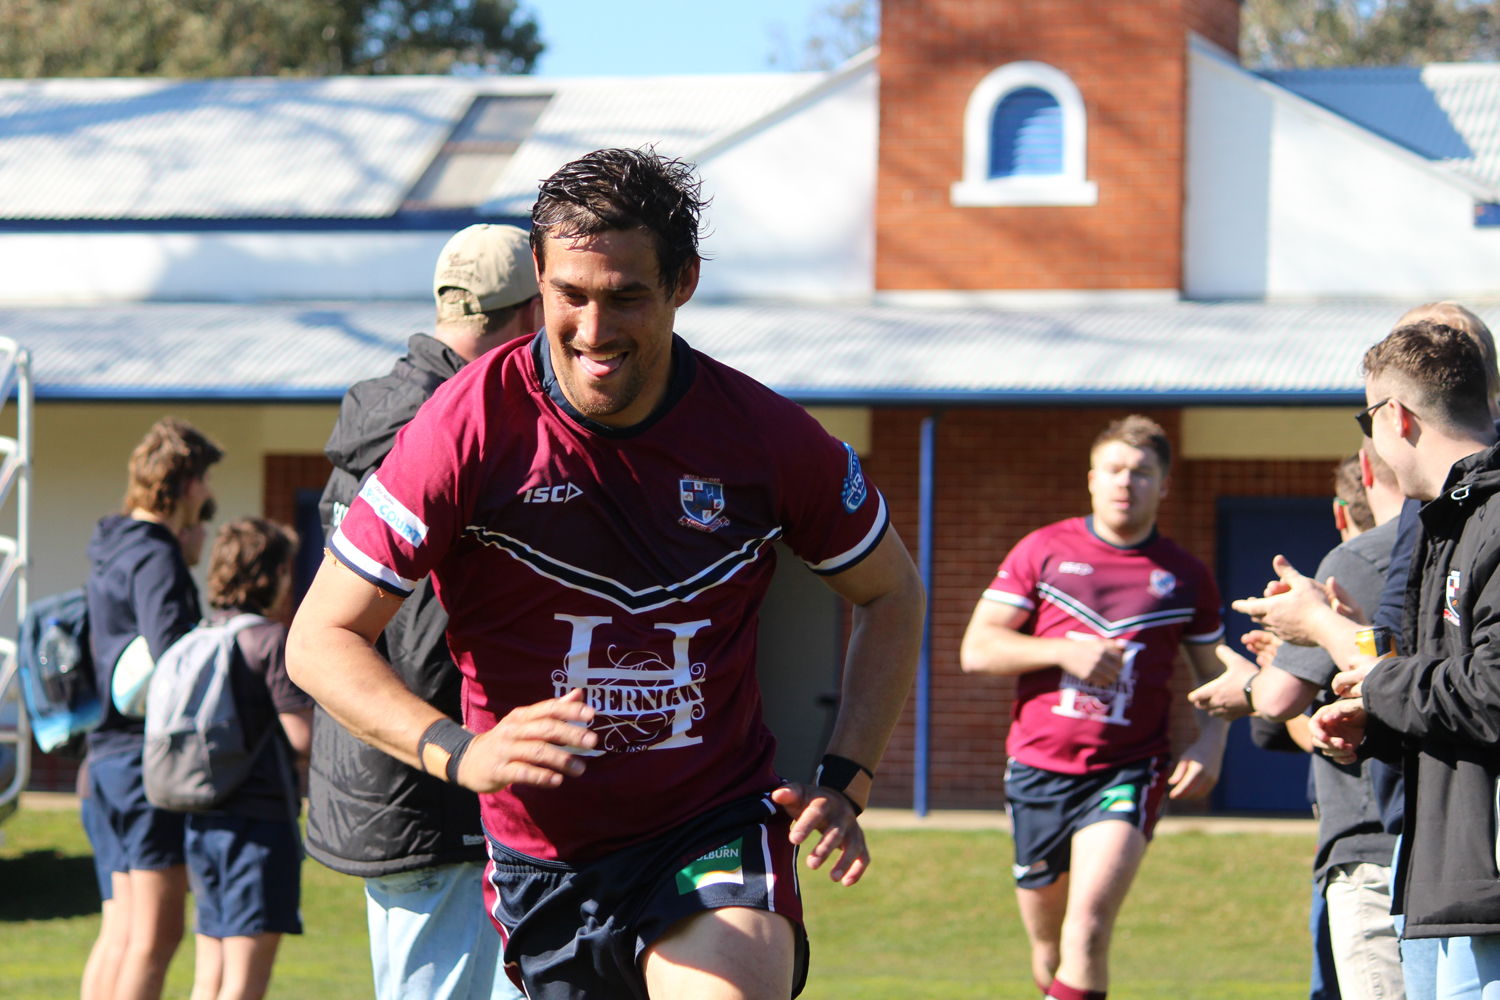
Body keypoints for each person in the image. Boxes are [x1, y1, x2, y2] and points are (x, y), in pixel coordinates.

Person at [287, 148, 925, 1000]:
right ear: (538, 277)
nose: (594, 331)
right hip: (544, 864)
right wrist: (461, 754)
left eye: (625, 296)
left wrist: (848, 779)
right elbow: (320, 638)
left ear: (682, 282)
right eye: (571, 296)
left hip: (710, 826)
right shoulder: (464, 428)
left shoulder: (763, 438)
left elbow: (893, 590)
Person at [308, 224, 541, 1000]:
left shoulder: (378, 413)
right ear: (531, 315)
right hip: (436, 779)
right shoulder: (455, 426)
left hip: (387, 770)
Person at [958, 415, 1229, 1000]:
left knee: (1088, 931)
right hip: (1036, 770)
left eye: (1141, 472)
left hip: (1128, 769)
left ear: (1165, 485)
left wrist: (1212, 742)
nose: (1126, 482)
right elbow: (977, 649)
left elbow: (1214, 677)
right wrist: (1063, 651)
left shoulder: (1185, 576)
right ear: (1091, 479)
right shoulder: (1043, 550)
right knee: (1049, 948)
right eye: (1114, 469)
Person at [1309, 321, 1500, 1000]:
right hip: (1442, 882)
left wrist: (1382, 680)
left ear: (1395, 416)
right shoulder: (1445, 520)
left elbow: (1494, 691)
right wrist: (1376, 721)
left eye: (1369, 420)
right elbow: (1449, 691)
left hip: (1487, 889)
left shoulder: (1492, 518)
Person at [1190, 448, 1405, 1000]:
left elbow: (1281, 703)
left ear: (1340, 510)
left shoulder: (1356, 559)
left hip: (1370, 841)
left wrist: (1256, 682)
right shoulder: (1457, 544)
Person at [83, 417, 221, 1000]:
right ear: (186, 483)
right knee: (157, 935)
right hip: (144, 762)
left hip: (104, 757)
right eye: (205, 481)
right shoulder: (156, 553)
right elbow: (172, 659)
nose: (207, 495)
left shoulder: (112, 545)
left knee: (120, 932)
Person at [186, 518, 313, 1000]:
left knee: (208, 980)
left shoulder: (201, 635)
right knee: (244, 985)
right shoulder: (270, 640)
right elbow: (301, 737)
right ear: (275, 572)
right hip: (258, 827)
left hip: (202, 820)